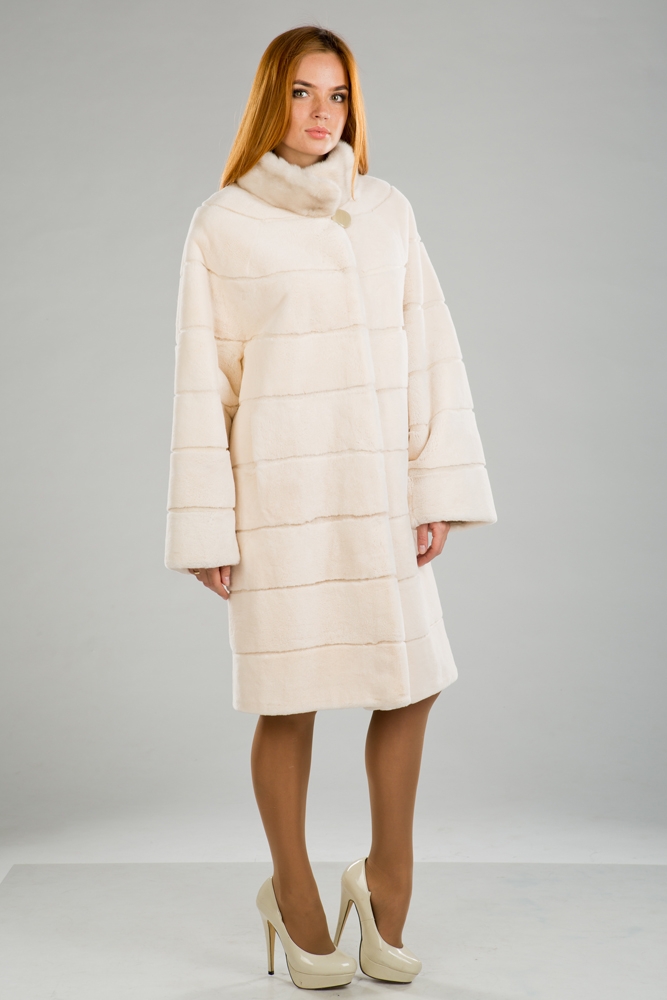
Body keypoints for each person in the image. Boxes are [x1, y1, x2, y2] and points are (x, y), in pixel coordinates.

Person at [165, 25, 496, 990]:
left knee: (411, 681)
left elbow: (430, 351)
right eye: (303, 93)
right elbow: (203, 388)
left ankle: (386, 881)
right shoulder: (222, 224)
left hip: (379, 493)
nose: (322, 113)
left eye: (338, 95)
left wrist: (433, 488)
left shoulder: (385, 211)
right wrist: (209, 525)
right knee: (290, 696)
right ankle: (295, 893)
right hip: (282, 498)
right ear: (271, 100)